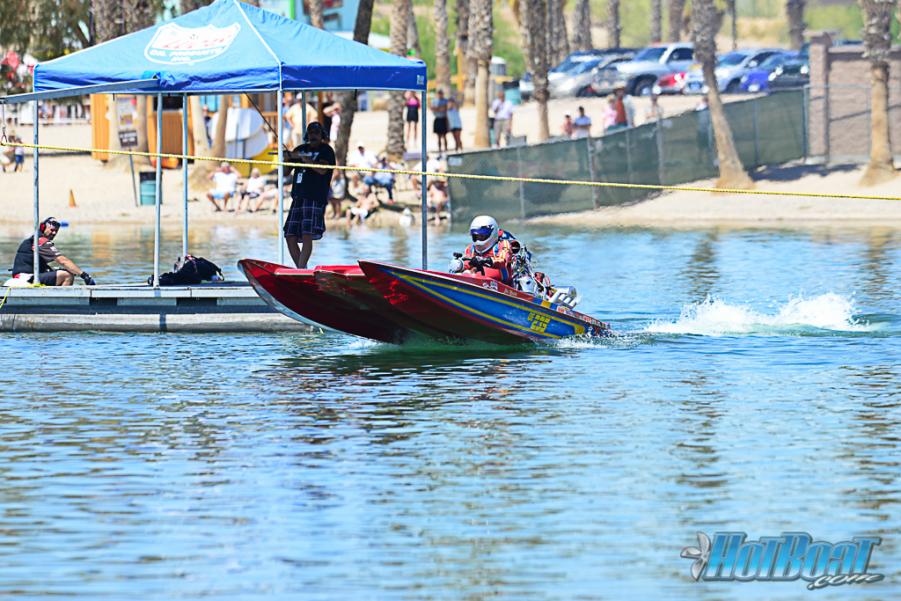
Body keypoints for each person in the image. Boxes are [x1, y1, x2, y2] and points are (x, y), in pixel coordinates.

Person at [283, 122, 335, 268]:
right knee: (289, 235)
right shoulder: (300, 149)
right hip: (297, 196)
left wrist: (307, 160)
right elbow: (286, 172)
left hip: (314, 196)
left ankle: (301, 270)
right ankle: (302, 269)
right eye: (311, 132)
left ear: (322, 135)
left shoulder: (326, 150)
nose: (313, 135)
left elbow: (323, 170)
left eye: (316, 132)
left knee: (307, 234)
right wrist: (287, 158)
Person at [10, 217, 96, 286]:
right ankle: (63, 301)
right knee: (67, 275)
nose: (54, 233)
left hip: (24, 276)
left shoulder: (35, 239)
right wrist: (84, 275)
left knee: (61, 272)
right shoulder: (40, 241)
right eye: (52, 230)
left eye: (56, 231)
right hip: (26, 278)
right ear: (43, 227)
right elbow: (63, 261)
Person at [455, 215, 516, 285]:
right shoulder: (470, 248)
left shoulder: (503, 244)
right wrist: (461, 265)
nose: (479, 238)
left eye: (482, 236)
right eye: (476, 236)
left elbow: (503, 260)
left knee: (475, 272)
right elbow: (468, 262)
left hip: (502, 283)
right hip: (478, 280)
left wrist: (486, 260)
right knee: (459, 272)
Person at [431, 88, 449, 153]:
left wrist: (438, 108)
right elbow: (432, 108)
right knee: (438, 136)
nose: (440, 95)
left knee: (444, 135)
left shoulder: (445, 100)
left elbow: (445, 108)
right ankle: (439, 150)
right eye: (439, 93)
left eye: (441, 93)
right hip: (437, 119)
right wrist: (440, 108)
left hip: (444, 119)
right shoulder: (434, 101)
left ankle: (446, 149)